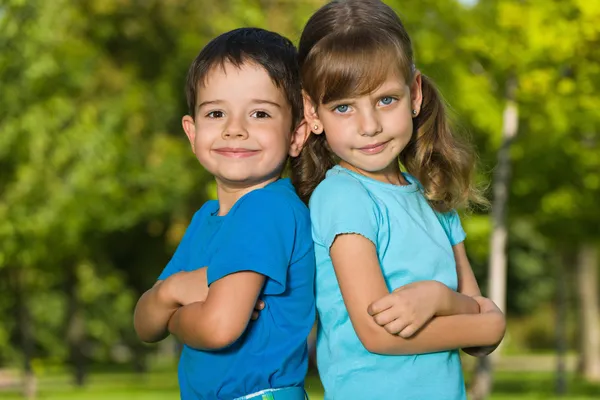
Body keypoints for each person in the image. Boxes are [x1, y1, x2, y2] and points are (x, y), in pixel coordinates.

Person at [290, 1, 506, 398]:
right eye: (343, 107)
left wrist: (441, 300)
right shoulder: (342, 196)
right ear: (312, 112)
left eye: (386, 100)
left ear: (415, 93)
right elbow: (378, 335)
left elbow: (484, 338)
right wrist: (478, 316)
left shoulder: (432, 197)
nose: (369, 126)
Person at [133, 27, 315, 400]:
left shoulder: (267, 209)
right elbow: (145, 324)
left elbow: (217, 328)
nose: (235, 129)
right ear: (192, 131)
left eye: (260, 113)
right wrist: (173, 290)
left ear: (296, 135)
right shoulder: (206, 219)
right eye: (216, 113)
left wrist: (175, 314)